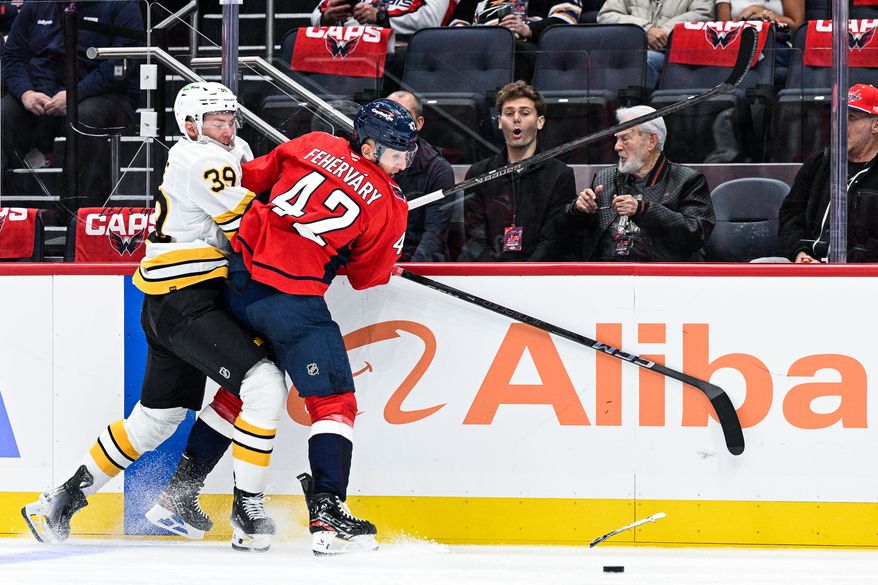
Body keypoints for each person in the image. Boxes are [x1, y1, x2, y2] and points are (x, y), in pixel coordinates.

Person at [20, 83, 290, 553]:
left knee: (155, 421)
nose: (226, 128)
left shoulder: (233, 149)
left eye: (230, 118)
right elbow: (250, 225)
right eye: (215, 121)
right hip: (187, 299)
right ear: (190, 126)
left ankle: (61, 500)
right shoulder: (199, 159)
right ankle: (247, 510)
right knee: (264, 383)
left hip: (172, 300)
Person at [151, 98, 417, 555]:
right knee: (334, 401)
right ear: (369, 148)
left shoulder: (313, 143)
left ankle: (177, 495)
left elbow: (250, 182)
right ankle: (329, 512)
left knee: (248, 389)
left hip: (237, 280)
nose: (404, 159)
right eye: (396, 150)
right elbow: (365, 277)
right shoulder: (392, 204)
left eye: (409, 150)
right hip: (291, 299)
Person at [1, 0, 143, 209]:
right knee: (3, 114)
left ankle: (80, 218)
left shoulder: (122, 5)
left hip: (105, 95)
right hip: (40, 95)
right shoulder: (37, 5)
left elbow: (122, 62)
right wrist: (25, 92)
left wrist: (75, 95)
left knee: (85, 117)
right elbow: (12, 56)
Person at [557, 105, 715, 261]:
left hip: (659, 276)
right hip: (605, 274)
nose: (617, 147)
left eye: (625, 138)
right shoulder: (605, 178)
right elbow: (574, 236)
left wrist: (643, 210)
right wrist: (578, 210)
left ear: (651, 141)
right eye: (617, 139)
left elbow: (697, 233)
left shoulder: (687, 179)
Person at [459, 81, 576, 262]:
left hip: (537, 276)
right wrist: (497, 274)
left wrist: (523, 275)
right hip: (489, 276)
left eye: (524, 113)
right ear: (499, 122)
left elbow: (552, 240)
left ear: (540, 122)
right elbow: (475, 238)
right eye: (509, 113)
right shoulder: (479, 173)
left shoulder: (560, 175)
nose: (516, 118)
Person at [776, 84, 878, 263]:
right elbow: (790, 216)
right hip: (806, 265)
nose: (840, 125)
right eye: (839, 116)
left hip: (860, 276)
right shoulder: (818, 163)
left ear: (875, 125)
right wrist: (799, 253)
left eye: (851, 117)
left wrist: (839, 267)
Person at [387, 90, 459, 261]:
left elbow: (434, 236)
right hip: (370, 261)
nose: (394, 122)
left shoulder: (438, 170)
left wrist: (406, 274)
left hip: (412, 264)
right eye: (389, 114)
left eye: (403, 115)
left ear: (418, 123)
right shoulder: (365, 157)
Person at [448, 0, 582, 81]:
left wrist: (528, 29)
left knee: (509, 47)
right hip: (478, 45)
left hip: (527, 46)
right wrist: (477, 38)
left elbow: (566, 19)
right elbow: (456, 23)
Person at [596, 0, 713, 88]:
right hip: (630, 48)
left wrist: (664, 32)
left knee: (645, 61)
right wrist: (646, 29)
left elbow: (704, 14)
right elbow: (606, 15)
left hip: (669, 51)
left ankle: (636, 111)